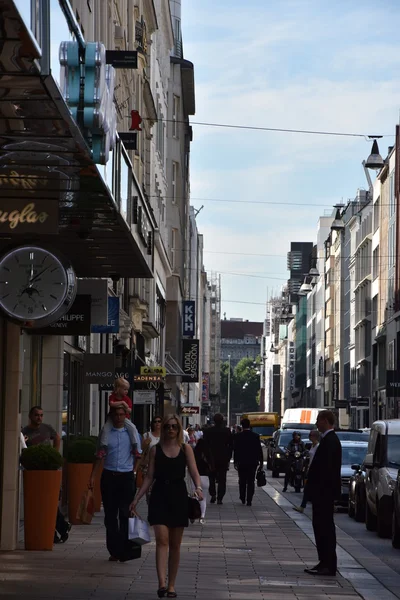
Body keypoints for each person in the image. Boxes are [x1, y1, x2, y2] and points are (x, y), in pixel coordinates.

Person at [130, 414, 203, 599]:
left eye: (174, 427)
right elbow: (149, 477)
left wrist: (199, 488)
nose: (171, 429)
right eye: (168, 427)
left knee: (175, 544)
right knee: (162, 539)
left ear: (179, 429)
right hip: (160, 495)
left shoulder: (186, 449)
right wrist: (137, 498)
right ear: (163, 429)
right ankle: (162, 583)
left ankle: (171, 585)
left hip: (179, 496)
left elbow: (194, 471)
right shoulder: (155, 450)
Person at [88, 405, 141, 562]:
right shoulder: (106, 433)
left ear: (126, 415)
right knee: (110, 516)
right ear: (111, 416)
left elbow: (138, 455)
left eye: (121, 414)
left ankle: (124, 549)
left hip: (126, 477)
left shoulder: (131, 433)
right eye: (116, 415)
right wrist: (92, 476)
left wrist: (134, 471)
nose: (118, 417)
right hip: (109, 476)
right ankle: (114, 549)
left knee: (125, 513)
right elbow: (99, 455)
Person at [22, 406, 71, 544]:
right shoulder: (25, 431)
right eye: (37, 415)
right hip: (34, 471)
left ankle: (58, 529)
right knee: (40, 504)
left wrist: (54, 453)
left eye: (41, 415)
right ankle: (59, 529)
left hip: (48, 470)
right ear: (31, 416)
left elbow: (57, 438)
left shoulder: (46, 428)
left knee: (47, 502)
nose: (39, 418)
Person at [304, 410, 341, 577]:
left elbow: (327, 470)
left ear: (325, 421)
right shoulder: (327, 440)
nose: (316, 424)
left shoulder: (330, 441)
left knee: (324, 528)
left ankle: (328, 564)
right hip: (322, 493)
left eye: (318, 420)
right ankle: (323, 561)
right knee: (319, 527)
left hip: (324, 493)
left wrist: (319, 490)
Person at [98, 378, 140, 452]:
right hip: (112, 417)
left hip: (125, 418)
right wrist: (123, 403)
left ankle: (135, 446)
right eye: (124, 389)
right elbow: (112, 404)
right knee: (105, 429)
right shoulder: (113, 396)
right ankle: (102, 447)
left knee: (133, 428)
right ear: (118, 388)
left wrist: (121, 405)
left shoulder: (127, 399)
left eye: (127, 389)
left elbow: (129, 410)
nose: (126, 391)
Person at [203, 413, 233, 505]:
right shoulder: (227, 431)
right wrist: (228, 457)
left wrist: (206, 456)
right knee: (222, 479)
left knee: (211, 478)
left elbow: (205, 445)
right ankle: (220, 497)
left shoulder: (208, 431)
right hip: (223, 458)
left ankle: (213, 494)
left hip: (211, 458)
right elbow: (231, 445)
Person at [233, 418, 263, 506]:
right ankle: (249, 499)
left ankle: (242, 497)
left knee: (242, 480)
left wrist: (235, 461)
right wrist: (261, 462)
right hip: (252, 462)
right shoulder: (255, 436)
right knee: (251, 481)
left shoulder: (238, 436)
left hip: (241, 462)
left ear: (242, 426)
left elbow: (236, 450)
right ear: (249, 425)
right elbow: (259, 450)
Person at [293, 429, 320, 513]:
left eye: (311, 435)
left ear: (315, 436)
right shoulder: (312, 445)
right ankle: (302, 506)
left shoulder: (318, 446)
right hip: (311, 469)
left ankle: (303, 506)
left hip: (316, 471)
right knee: (307, 489)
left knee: (310, 489)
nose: (309, 437)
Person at [136, 416, 162, 490]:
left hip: (161, 465)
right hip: (148, 466)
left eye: (159, 421)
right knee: (148, 490)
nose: (157, 423)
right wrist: (145, 444)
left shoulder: (165, 436)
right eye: (155, 421)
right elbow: (141, 450)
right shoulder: (147, 435)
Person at [193, 437, 213, 523]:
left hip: (195, 478)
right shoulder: (208, 454)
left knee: (194, 497)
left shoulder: (194, 453)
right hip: (205, 477)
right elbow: (212, 466)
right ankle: (202, 516)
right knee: (203, 498)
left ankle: (193, 514)